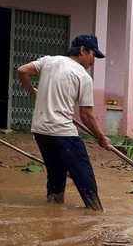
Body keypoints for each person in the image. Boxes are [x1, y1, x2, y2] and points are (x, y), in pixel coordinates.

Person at [17, 34, 112, 210]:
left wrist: (32, 91)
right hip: (62, 131)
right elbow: (86, 115)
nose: (94, 60)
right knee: (83, 174)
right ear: (83, 50)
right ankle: (96, 213)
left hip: (40, 130)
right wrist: (101, 137)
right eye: (93, 55)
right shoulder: (83, 77)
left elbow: (22, 70)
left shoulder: (48, 61)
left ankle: (53, 207)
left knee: (56, 172)